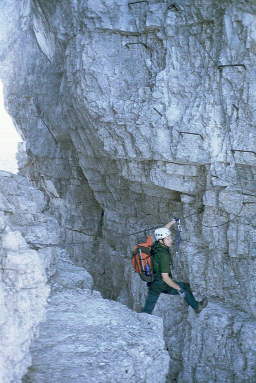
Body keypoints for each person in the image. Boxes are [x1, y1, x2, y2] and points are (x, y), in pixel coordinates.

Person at [142, 220, 208, 314]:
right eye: (168, 239)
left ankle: (143, 318)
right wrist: (178, 288)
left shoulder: (156, 245)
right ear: (162, 240)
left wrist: (173, 221)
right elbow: (165, 278)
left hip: (153, 282)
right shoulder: (164, 256)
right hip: (162, 284)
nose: (171, 240)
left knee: (149, 306)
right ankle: (197, 307)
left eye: (170, 237)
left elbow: (163, 230)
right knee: (184, 288)